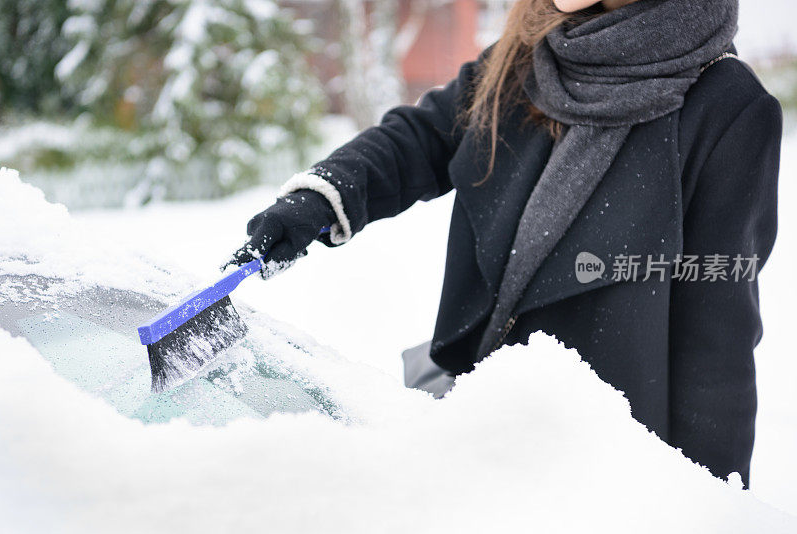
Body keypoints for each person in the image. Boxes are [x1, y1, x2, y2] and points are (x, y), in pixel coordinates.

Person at [228, 0, 782, 487]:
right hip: (481, 410)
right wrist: (322, 198)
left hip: (603, 462)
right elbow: (424, 136)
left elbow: (718, 331)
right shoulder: (531, 56)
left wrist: (709, 501)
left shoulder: (728, 105)